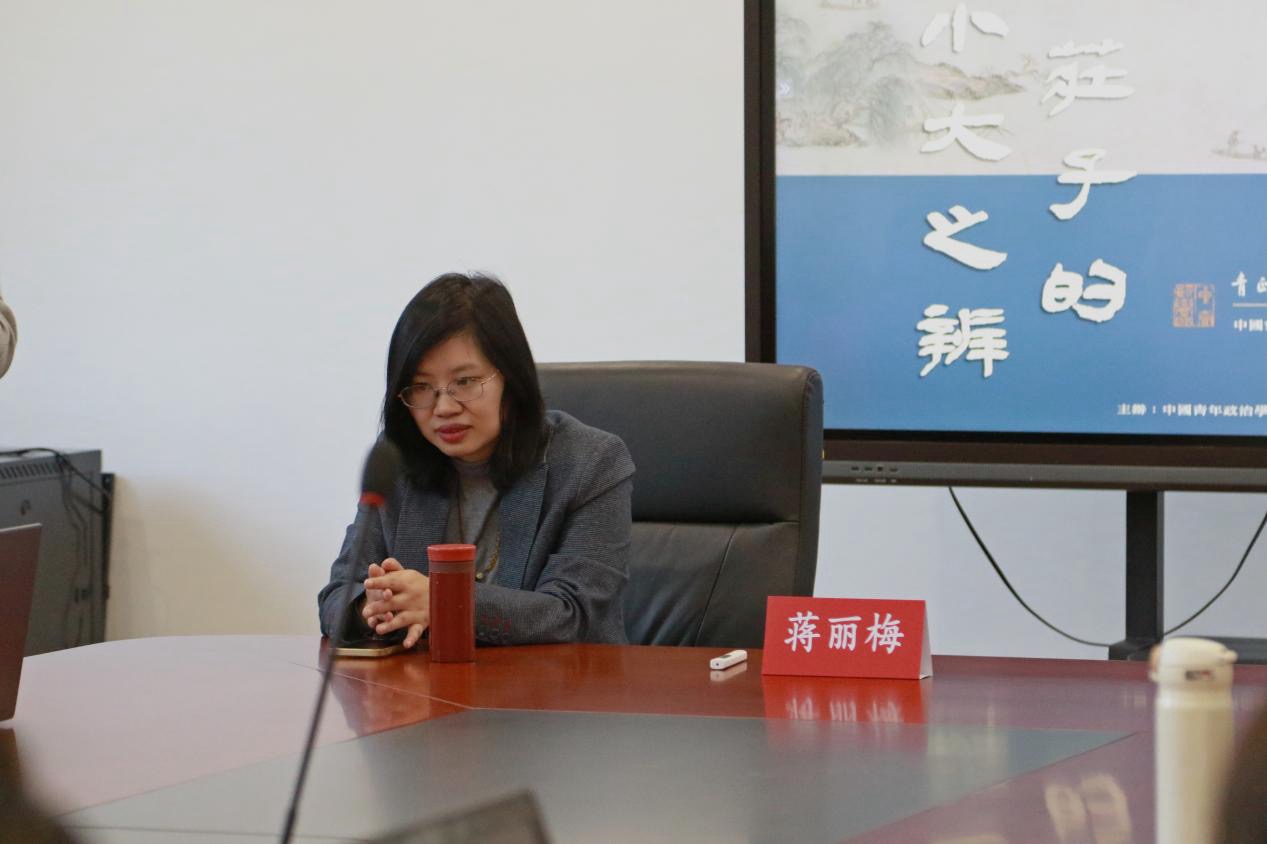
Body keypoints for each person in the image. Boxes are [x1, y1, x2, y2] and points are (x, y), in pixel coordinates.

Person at [318, 273, 634, 648]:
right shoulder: (398, 461)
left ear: (511, 379)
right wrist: (370, 605)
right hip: (427, 683)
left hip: (555, 684)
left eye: (465, 382)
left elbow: (575, 616)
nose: (444, 407)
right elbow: (336, 596)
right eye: (421, 387)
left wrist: (445, 602)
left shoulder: (590, 462)